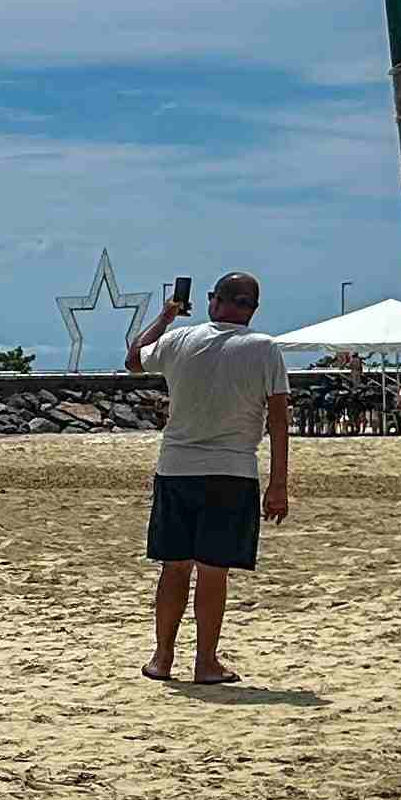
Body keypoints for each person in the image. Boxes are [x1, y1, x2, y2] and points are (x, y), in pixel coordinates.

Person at [127, 271, 291, 685]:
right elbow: (278, 420)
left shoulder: (180, 339)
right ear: (252, 309)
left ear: (213, 300)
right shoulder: (264, 348)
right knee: (214, 572)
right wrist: (278, 483)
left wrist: (166, 316)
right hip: (232, 473)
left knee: (174, 567)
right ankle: (205, 662)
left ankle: (162, 657)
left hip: (176, 468)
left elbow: (133, 360)